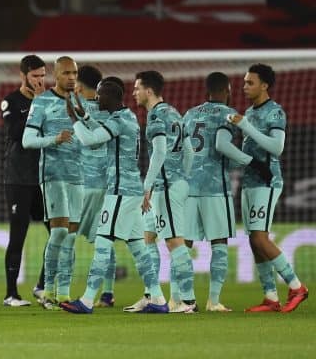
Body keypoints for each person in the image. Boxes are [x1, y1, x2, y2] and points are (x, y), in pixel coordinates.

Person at [60, 79, 169, 314]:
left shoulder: (119, 121)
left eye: (100, 95)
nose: (97, 99)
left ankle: (87, 300)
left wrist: (73, 120)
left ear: (110, 97)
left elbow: (90, 141)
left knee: (102, 243)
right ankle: (158, 298)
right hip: (130, 190)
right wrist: (85, 118)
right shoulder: (125, 117)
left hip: (120, 191)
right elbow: (100, 137)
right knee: (139, 249)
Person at [183, 71, 273, 311]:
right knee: (219, 242)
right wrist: (253, 162)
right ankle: (213, 301)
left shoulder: (190, 115)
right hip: (214, 187)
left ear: (206, 91)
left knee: (184, 243)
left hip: (188, 187)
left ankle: (185, 300)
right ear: (228, 91)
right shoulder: (228, 115)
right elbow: (221, 145)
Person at [228, 63, 308, 312]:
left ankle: (296, 286)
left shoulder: (276, 113)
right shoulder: (249, 112)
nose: (244, 87)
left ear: (264, 85)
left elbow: (277, 148)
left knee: (260, 238)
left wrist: (245, 126)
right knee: (253, 240)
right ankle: (271, 297)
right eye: (243, 82)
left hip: (267, 181)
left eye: (250, 82)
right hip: (250, 181)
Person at [132, 70, 198, 313]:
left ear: (149, 91)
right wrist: (184, 177)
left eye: (137, 88)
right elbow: (189, 152)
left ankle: (188, 301)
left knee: (173, 241)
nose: (134, 92)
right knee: (148, 236)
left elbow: (159, 152)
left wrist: (147, 187)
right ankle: (153, 295)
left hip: (166, 187)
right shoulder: (174, 112)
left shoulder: (156, 116)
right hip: (175, 183)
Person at [22, 56, 83, 309]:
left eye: (75, 73)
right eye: (67, 73)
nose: (71, 77)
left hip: (78, 176)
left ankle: (65, 294)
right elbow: (27, 140)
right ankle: (47, 291)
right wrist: (53, 139)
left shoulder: (82, 103)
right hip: (53, 175)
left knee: (71, 237)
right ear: (56, 75)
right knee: (58, 232)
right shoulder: (43, 102)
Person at [1, 55, 51, 307]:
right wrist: (39, 105)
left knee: (57, 233)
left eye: (43, 75)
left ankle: (42, 286)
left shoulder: (50, 100)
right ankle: (11, 294)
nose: (40, 80)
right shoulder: (11, 101)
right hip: (19, 178)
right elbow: (17, 132)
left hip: (45, 178)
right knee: (18, 234)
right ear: (23, 76)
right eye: (35, 76)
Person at [71, 66, 118, 308]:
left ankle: (54, 291)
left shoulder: (75, 111)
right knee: (104, 239)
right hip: (108, 184)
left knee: (63, 235)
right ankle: (107, 293)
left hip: (83, 185)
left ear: (78, 86)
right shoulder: (111, 113)